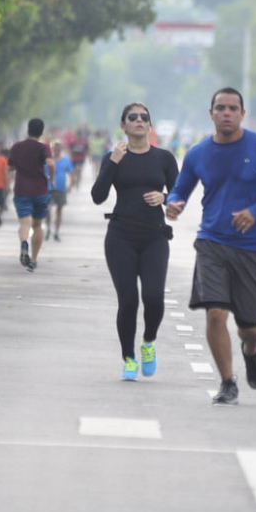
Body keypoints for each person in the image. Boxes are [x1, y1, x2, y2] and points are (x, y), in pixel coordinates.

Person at [166, 88, 256, 405]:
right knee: (215, 315)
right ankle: (227, 382)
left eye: (233, 108)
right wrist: (173, 203)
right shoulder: (198, 153)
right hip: (213, 242)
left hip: (253, 248)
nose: (226, 113)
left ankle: (251, 352)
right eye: (220, 108)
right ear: (211, 113)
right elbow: (179, 189)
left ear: (242, 113)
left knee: (249, 327)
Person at [92, 103, 178, 380]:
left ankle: (148, 342)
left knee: (153, 297)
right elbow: (97, 196)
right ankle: (129, 359)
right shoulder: (113, 157)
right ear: (123, 125)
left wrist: (165, 198)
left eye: (144, 117)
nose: (139, 121)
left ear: (150, 126)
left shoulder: (164, 158)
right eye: (133, 117)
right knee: (128, 301)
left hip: (154, 236)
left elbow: (179, 194)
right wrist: (114, 162)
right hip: (120, 237)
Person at [8, 119, 54, 272]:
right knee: (38, 225)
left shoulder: (16, 147)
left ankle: (23, 243)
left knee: (25, 223)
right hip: (40, 190)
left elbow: (9, 167)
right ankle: (33, 260)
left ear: (28, 130)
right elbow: (51, 164)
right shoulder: (43, 148)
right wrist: (51, 179)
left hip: (21, 190)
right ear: (41, 132)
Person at [45, 140, 73, 241]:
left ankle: (56, 231)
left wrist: (70, 185)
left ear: (61, 149)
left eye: (58, 149)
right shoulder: (48, 160)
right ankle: (48, 228)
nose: (56, 151)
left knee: (59, 210)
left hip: (61, 188)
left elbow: (70, 173)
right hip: (48, 188)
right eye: (54, 149)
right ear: (52, 149)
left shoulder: (66, 160)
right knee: (47, 210)